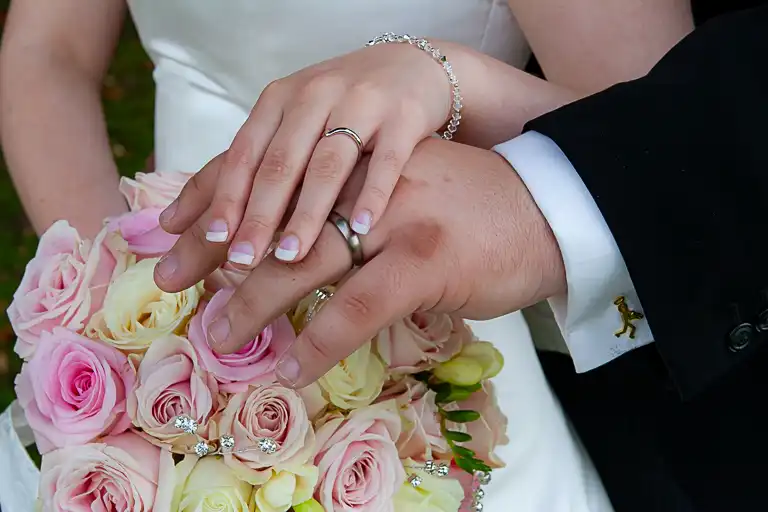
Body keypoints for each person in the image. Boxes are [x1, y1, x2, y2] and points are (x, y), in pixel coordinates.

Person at [0, 0, 694, 510]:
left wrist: (452, 83)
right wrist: (117, 303)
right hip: (158, 328)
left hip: (415, 345)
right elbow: (47, 52)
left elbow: (659, 145)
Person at [158, 4, 768, 511]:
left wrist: (463, 88)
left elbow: (652, 127)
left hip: (431, 302)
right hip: (172, 295)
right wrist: (101, 305)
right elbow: (57, 57)